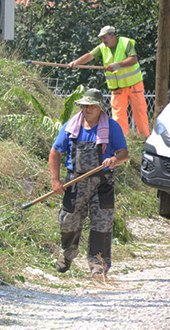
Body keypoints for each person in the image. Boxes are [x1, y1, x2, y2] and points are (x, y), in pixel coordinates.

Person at [49, 88, 128, 279]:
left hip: (103, 184)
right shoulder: (71, 127)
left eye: (92, 106)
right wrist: (55, 180)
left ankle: (98, 266)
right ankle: (66, 256)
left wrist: (113, 160)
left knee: (101, 225)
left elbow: (123, 153)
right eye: (85, 105)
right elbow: (55, 153)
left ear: (100, 108)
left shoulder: (111, 127)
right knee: (68, 222)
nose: (88, 109)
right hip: (75, 183)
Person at [68, 25, 149, 137]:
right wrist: (77, 62)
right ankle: (122, 139)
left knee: (140, 112)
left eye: (105, 37)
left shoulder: (126, 43)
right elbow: (90, 55)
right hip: (117, 88)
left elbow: (133, 59)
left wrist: (117, 65)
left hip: (134, 85)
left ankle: (144, 138)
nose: (103, 41)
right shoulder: (102, 47)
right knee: (118, 115)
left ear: (112, 35)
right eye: (101, 38)